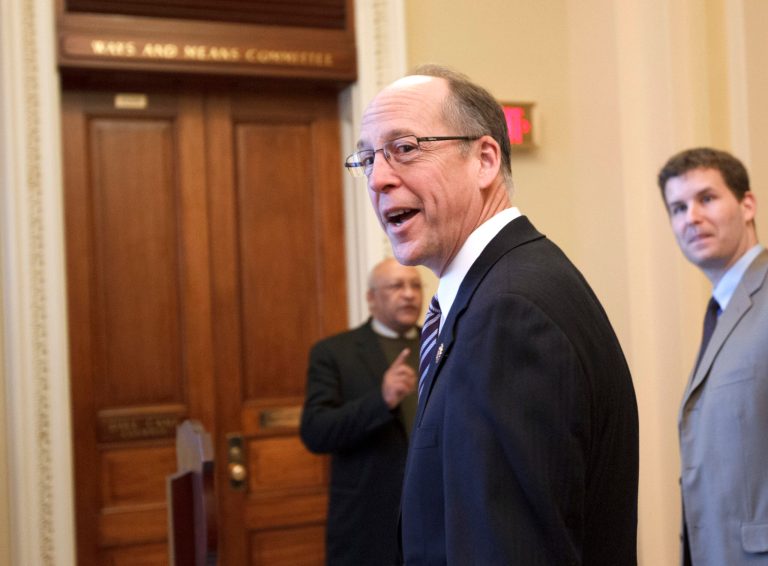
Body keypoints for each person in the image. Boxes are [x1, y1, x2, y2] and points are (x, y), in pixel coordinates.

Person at [345, 64, 639, 564]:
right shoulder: (502, 287)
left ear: (484, 159)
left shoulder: (508, 313)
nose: (379, 179)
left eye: (405, 148)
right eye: (368, 158)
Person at [657, 147, 768, 566]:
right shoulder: (723, 309)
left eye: (707, 198)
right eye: (678, 208)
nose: (692, 218)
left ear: (747, 204)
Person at [300, 258, 423, 566]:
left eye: (415, 285)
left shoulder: (442, 343)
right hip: (368, 526)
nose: (409, 294)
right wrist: (380, 400)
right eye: (397, 286)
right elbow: (316, 432)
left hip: (435, 516)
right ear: (371, 298)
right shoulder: (334, 353)